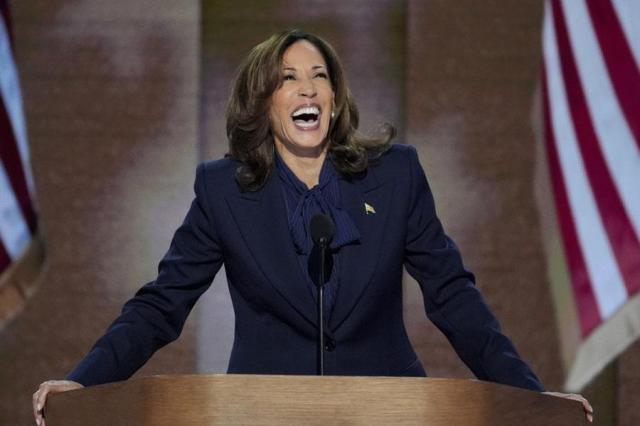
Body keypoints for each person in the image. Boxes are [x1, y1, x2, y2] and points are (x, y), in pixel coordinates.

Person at [33, 29, 593, 425]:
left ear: (333, 96)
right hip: (260, 413)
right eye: (288, 79)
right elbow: (161, 305)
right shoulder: (224, 190)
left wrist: (532, 399)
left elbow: (452, 297)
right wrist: (83, 383)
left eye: (319, 77)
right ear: (264, 102)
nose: (307, 89)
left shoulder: (395, 176)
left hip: (389, 413)